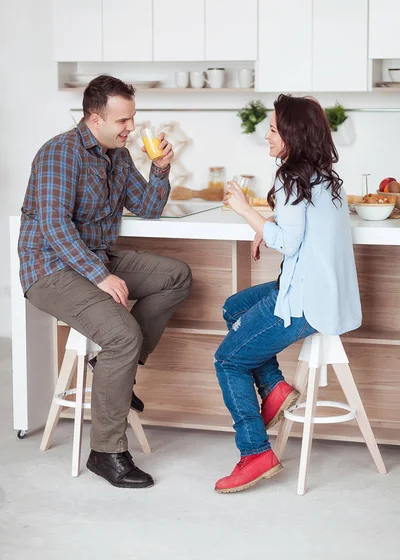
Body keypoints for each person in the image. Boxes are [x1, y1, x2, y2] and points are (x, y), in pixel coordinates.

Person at [18, 75, 192, 489]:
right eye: (123, 121)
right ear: (95, 119)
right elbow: (56, 227)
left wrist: (162, 168)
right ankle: (106, 452)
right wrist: (101, 276)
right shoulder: (60, 153)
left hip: (95, 258)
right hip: (50, 269)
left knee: (176, 276)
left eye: (132, 119)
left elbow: (148, 208)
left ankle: (116, 375)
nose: (130, 128)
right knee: (122, 333)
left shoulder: (118, 154)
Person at [214, 94, 361, 494]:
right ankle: (276, 388)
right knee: (233, 308)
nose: (267, 135)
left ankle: (255, 453)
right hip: (318, 293)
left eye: (275, 129)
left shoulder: (290, 178)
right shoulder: (326, 178)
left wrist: (248, 213)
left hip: (303, 302)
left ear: (294, 134)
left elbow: (289, 243)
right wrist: (269, 228)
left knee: (228, 360)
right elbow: (300, 233)